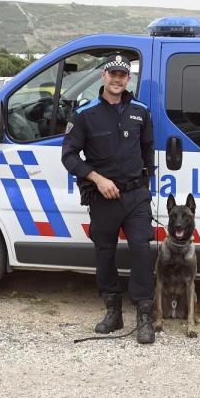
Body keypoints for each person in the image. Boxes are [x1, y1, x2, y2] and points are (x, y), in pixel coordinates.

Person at [61, 56, 156, 344]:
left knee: (141, 250)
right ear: (104, 76)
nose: (117, 80)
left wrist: (144, 185)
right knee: (105, 253)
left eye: (123, 75)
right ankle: (113, 313)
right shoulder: (85, 114)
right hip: (103, 197)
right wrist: (97, 180)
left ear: (129, 79)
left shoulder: (140, 111)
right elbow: (68, 156)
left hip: (136, 196)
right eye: (113, 74)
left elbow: (148, 150)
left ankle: (144, 317)